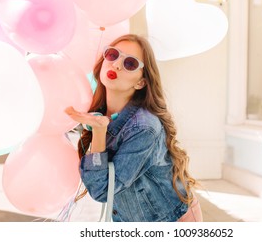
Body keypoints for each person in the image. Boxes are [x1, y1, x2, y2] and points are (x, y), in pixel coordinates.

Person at [65, 34, 202, 222]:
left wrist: (98, 131)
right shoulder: (99, 114)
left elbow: (103, 190)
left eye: (130, 63)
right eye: (112, 55)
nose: (117, 65)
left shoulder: (144, 128)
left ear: (140, 82)